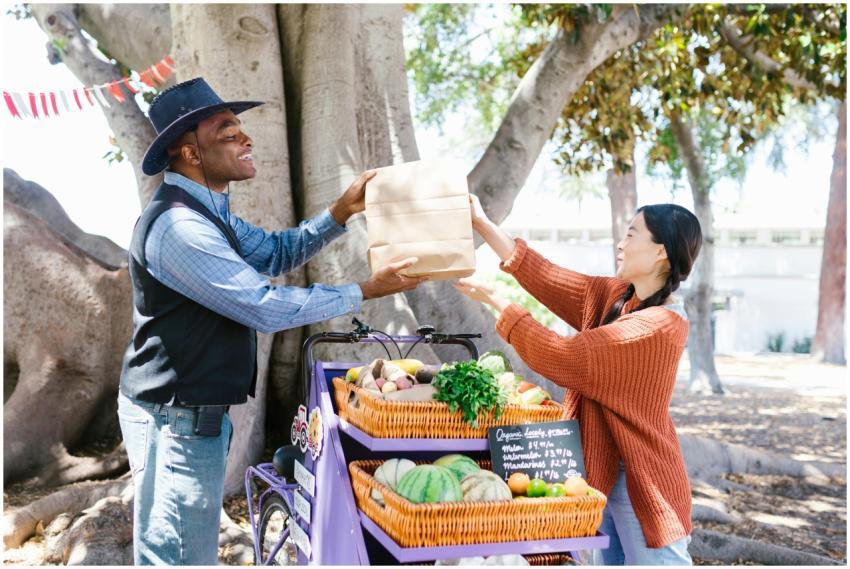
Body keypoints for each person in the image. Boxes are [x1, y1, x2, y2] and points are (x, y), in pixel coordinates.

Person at [117, 77, 426, 565]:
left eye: (241, 128)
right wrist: (364, 290)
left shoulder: (209, 211)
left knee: (185, 552)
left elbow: (276, 252)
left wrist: (342, 210)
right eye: (227, 131)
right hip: (172, 420)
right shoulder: (180, 227)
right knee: (178, 558)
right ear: (190, 153)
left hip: (193, 416)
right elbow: (260, 305)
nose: (246, 139)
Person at [455, 195, 702, 565]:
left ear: (661, 253)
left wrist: (497, 301)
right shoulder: (619, 297)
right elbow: (547, 277)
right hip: (603, 467)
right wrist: (482, 222)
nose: (621, 243)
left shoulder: (657, 327)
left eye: (632, 235)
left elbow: (565, 357)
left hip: (644, 482)